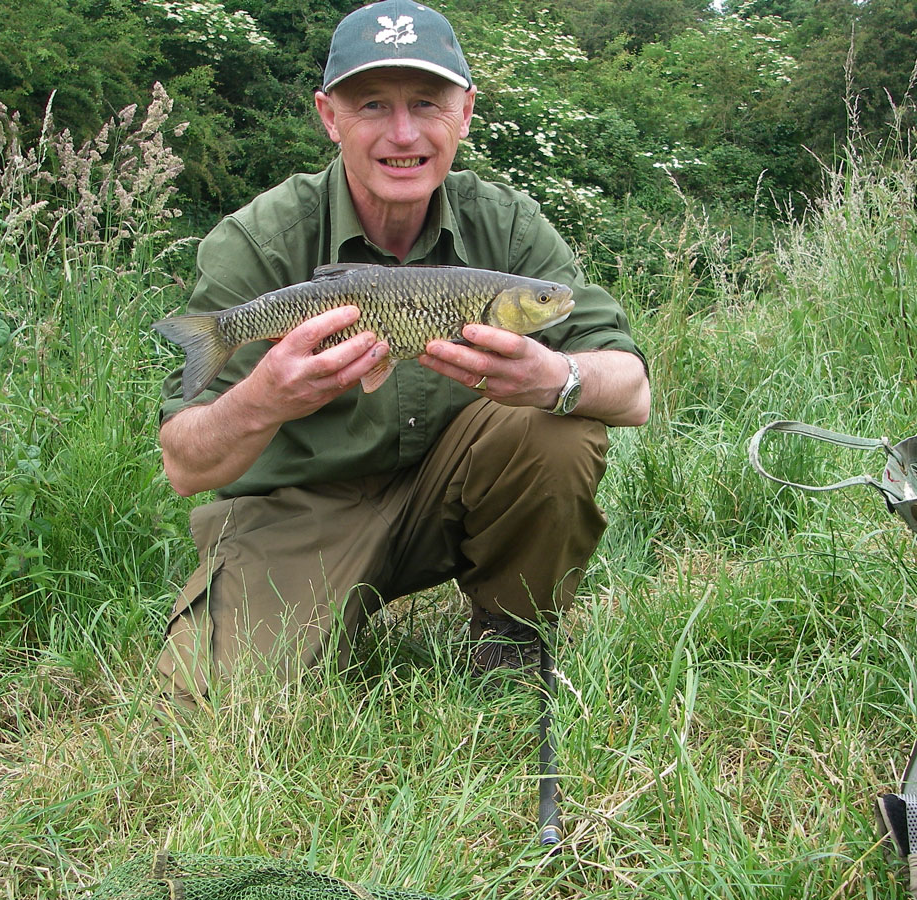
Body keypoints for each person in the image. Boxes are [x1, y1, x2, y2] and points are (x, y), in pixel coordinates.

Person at [155, 0, 651, 711]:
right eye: (371, 105)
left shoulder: (507, 226)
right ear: (329, 116)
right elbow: (184, 464)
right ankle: (309, 617)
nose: (403, 132)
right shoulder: (260, 239)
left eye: (427, 102)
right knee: (217, 710)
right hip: (302, 510)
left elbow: (632, 392)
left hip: (450, 490)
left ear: (466, 112)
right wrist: (266, 396)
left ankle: (510, 631)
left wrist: (556, 375)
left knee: (558, 423)